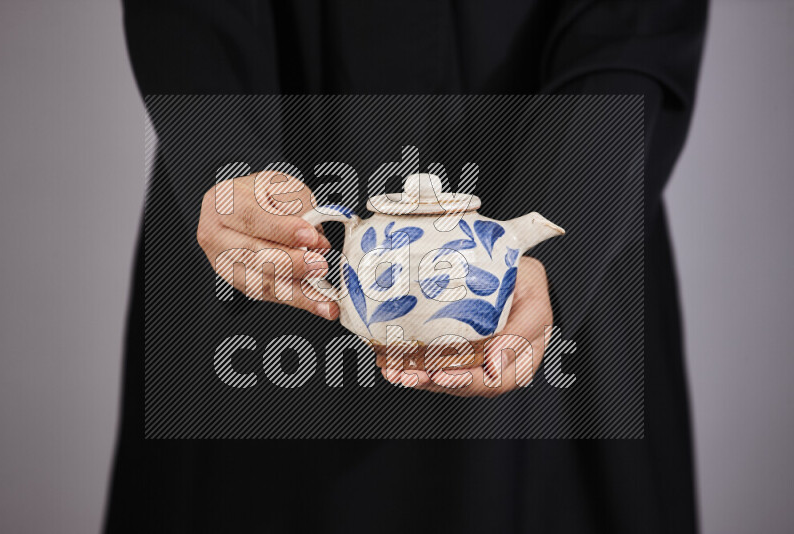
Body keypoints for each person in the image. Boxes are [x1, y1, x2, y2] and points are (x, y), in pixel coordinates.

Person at [107, 1, 707, 532]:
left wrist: (559, 227)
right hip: (254, 244)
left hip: (563, 232)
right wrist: (221, 152)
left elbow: (633, 21)